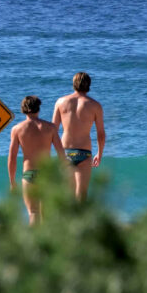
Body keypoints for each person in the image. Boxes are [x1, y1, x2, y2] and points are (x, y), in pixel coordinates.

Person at [7, 95, 66, 224]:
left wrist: (12, 181)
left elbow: (12, 157)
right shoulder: (50, 128)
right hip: (47, 173)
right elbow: (61, 153)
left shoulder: (17, 129)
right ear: (38, 108)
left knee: (33, 212)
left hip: (29, 174)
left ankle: (34, 243)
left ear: (23, 109)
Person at [52, 71, 106, 201]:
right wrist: (99, 153)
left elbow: (53, 130)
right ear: (89, 85)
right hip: (84, 152)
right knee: (81, 195)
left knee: (66, 194)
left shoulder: (60, 102)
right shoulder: (95, 105)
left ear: (74, 84)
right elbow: (101, 134)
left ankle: (65, 221)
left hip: (65, 151)